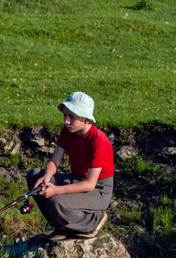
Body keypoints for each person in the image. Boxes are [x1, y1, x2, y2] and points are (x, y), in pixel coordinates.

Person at [25, 91, 114, 242]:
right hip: (76, 179)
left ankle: (93, 221)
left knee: (56, 201)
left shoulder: (99, 142)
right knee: (35, 176)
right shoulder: (67, 132)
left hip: (98, 190)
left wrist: (57, 190)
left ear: (86, 119)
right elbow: (55, 161)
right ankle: (62, 227)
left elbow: (90, 184)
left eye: (72, 117)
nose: (66, 121)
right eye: (65, 116)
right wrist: (46, 178)